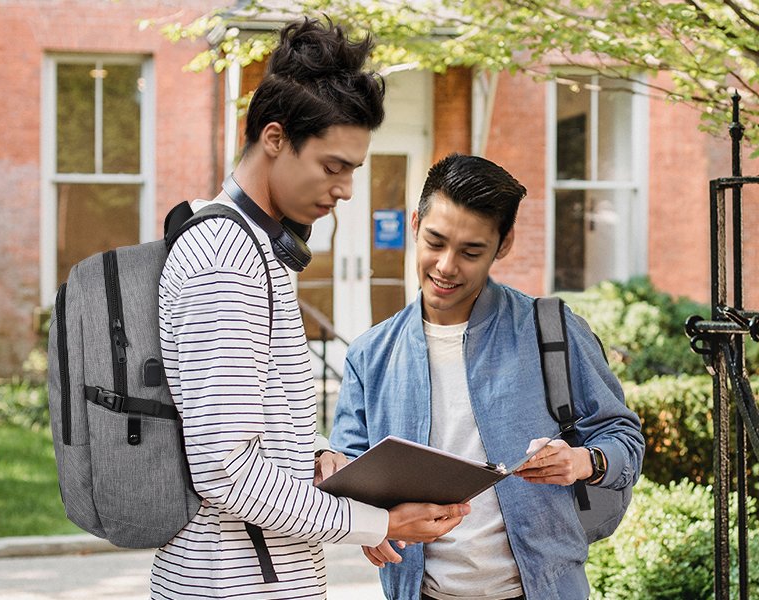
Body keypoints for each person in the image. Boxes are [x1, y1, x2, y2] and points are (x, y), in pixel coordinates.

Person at [150, 18, 469, 600]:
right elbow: (224, 469)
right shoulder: (226, 256)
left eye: (353, 169)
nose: (346, 188)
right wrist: (378, 523)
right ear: (275, 138)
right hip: (235, 586)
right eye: (333, 166)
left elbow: (249, 433)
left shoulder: (251, 247)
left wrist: (317, 458)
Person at [329, 153, 645, 600]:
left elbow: (625, 439)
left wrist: (580, 461)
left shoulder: (549, 329)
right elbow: (348, 475)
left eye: (471, 251)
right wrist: (367, 525)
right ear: (416, 223)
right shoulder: (370, 355)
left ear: (504, 243)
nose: (445, 266)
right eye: (435, 242)